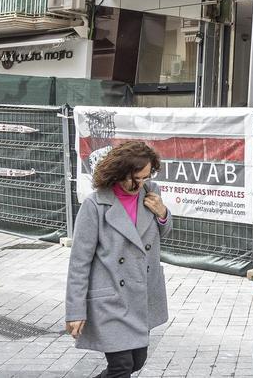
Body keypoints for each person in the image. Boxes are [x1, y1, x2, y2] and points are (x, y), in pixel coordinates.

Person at [65, 141, 172, 378]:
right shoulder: (95, 204)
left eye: (145, 177)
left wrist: (162, 213)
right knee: (121, 366)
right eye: (135, 178)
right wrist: (75, 310)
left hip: (141, 294)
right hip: (110, 296)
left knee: (136, 361)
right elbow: (79, 261)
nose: (140, 183)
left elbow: (162, 234)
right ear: (119, 172)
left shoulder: (151, 192)